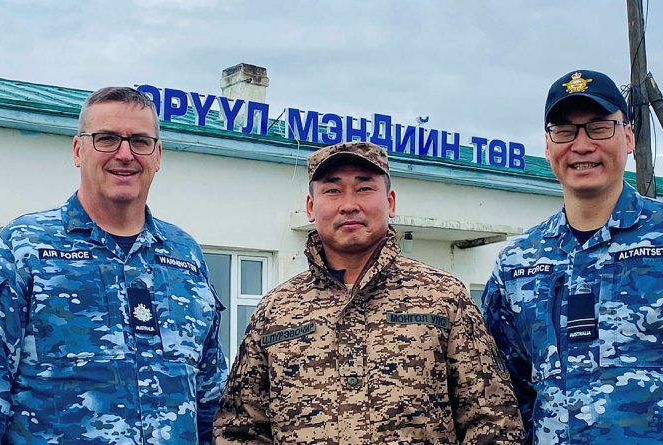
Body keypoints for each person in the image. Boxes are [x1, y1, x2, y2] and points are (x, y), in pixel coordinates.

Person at [0, 87, 228, 444]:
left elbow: (212, 400)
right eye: (107, 138)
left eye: (140, 141)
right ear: (78, 150)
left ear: (157, 155)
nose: (125, 154)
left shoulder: (185, 256)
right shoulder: (24, 246)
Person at [482, 69, 663, 444]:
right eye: (564, 131)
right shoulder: (517, 264)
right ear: (548, 147)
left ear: (629, 137)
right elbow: (506, 390)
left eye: (599, 127)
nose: (582, 145)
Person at [213, 141, 524, 444]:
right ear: (310, 207)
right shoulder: (275, 311)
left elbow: (494, 420)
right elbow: (239, 429)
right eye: (332, 190)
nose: (349, 204)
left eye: (364, 188)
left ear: (390, 202)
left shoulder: (444, 298)